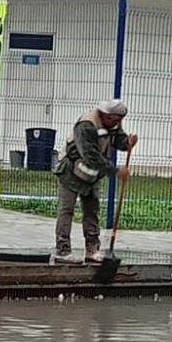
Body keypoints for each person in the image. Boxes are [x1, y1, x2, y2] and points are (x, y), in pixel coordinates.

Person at [52, 99, 136, 264]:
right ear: (107, 115)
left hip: (91, 175)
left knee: (92, 211)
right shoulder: (86, 125)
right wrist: (116, 171)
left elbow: (118, 139)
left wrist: (127, 143)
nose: (119, 123)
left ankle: (92, 250)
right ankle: (63, 251)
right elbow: (90, 155)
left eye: (120, 120)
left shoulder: (112, 123)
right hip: (71, 170)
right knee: (66, 210)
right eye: (116, 120)